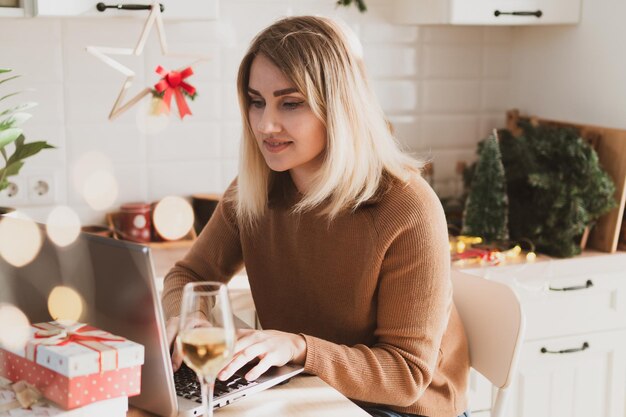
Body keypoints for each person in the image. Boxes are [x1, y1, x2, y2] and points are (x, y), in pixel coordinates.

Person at [162, 15, 470, 417]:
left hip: (400, 410)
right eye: (257, 102)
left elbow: (405, 375)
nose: (266, 125)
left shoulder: (407, 207)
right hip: (305, 394)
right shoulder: (255, 190)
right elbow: (187, 276)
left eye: (290, 103)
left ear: (339, 107)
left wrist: (299, 347)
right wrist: (193, 322)